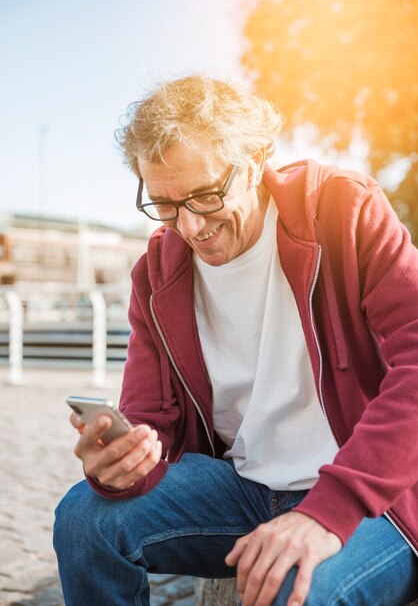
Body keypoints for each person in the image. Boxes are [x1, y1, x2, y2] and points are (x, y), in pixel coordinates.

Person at [53, 75, 418, 606]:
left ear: (257, 159)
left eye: (206, 195)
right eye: (166, 204)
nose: (192, 226)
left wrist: (329, 511)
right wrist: (124, 463)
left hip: (376, 502)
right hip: (244, 490)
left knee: (291, 591)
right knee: (85, 520)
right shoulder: (156, 273)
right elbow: (152, 419)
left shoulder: (344, 209)